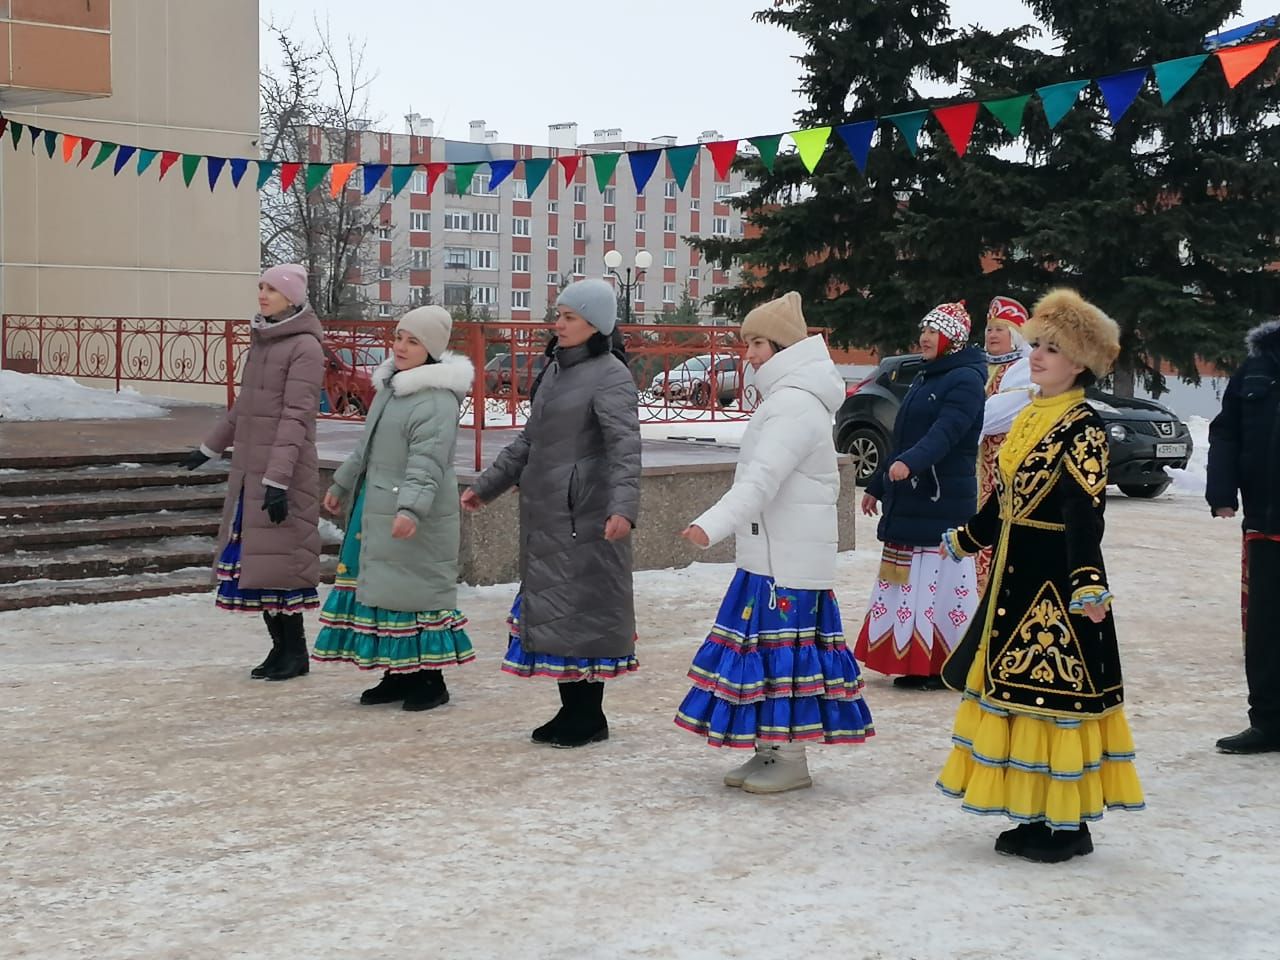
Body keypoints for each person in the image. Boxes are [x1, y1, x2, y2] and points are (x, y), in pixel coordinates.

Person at [935, 288, 1145, 863]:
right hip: (1014, 580)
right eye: (1038, 345)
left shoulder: (1083, 427)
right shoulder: (1030, 414)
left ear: (1079, 363)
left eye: (1052, 349)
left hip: (1056, 586)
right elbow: (1005, 499)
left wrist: (1087, 583)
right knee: (1017, 699)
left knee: (1055, 701)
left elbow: (1085, 515)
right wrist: (968, 537)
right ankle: (1033, 814)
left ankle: (1069, 825)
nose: (1038, 356)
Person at [673, 292, 874, 793]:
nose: (750, 355)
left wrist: (711, 524)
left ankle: (790, 756)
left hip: (787, 561)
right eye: (747, 344)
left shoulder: (792, 405)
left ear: (784, 346)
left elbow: (760, 481)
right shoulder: (787, 401)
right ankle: (769, 750)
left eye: (758, 343)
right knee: (762, 654)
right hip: (772, 556)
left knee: (786, 657)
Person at [461, 279, 641, 748]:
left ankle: (589, 717)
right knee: (560, 613)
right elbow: (529, 441)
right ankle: (571, 712)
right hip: (549, 513)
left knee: (584, 613)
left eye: (568, 317)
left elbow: (625, 448)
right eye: (558, 315)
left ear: (595, 325)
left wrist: (623, 507)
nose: (557, 324)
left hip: (587, 515)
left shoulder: (610, 375)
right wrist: (487, 486)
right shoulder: (558, 370)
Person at [312, 306, 476, 711]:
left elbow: (427, 462)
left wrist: (411, 511)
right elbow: (366, 449)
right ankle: (397, 674)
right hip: (380, 502)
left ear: (432, 349)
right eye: (399, 336)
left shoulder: (435, 401)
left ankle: (430, 681)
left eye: (413, 341)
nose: (400, 347)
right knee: (385, 591)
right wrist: (342, 483)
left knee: (414, 594)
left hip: (413, 510)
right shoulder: (393, 388)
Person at [182, 264, 323, 682]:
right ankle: (279, 649)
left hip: (283, 475)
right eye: (260, 287)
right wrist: (208, 448)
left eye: (272, 289)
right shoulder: (264, 341)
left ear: (293, 298)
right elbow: (245, 407)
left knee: (281, 566)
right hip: (252, 472)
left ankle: (295, 653)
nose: (262, 295)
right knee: (256, 565)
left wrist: (277, 480)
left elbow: (296, 418)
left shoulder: (305, 348)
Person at [853, 302, 985, 689]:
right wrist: (878, 484)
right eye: (923, 330)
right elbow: (903, 438)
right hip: (912, 499)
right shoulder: (927, 376)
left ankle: (942, 666)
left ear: (953, 338)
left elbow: (947, 432)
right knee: (908, 586)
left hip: (939, 500)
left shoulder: (965, 380)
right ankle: (913, 663)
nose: (924, 337)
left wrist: (911, 464)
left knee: (936, 588)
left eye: (934, 331)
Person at [1206, 316, 1280, 754]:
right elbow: (1226, 429)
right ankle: (1268, 722)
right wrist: (1220, 489)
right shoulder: (1257, 364)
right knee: (1265, 630)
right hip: (1265, 523)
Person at [976, 296, 1034, 592]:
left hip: (1000, 470)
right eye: (989, 329)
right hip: (972, 473)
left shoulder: (1024, 368)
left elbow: (992, 415)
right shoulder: (978, 366)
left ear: (1015, 336)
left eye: (1001, 329)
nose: (993, 335)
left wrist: (962, 421)